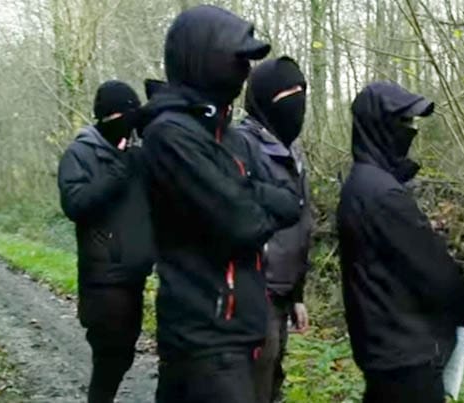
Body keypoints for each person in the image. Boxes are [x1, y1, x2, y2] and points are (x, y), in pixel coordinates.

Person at [138, 5, 302, 403]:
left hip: (241, 328)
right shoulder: (170, 134)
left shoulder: (233, 135)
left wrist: (241, 190)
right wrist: (248, 195)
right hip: (204, 337)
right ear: (202, 56)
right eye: (239, 59)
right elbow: (242, 223)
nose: (245, 70)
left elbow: (289, 202)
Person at [337, 81, 464, 403]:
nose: (410, 130)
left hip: (383, 348)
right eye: (403, 122)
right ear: (380, 127)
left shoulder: (361, 184)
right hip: (406, 354)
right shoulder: (382, 193)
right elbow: (434, 272)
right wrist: (463, 307)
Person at [57, 80, 154, 403]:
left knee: (123, 354)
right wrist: (115, 176)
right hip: (102, 281)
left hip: (133, 277)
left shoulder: (137, 155)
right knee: (110, 358)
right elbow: (75, 204)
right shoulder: (81, 153)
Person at [235, 56, 313, 403]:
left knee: (273, 382)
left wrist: (297, 295)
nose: (297, 102)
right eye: (288, 94)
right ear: (266, 99)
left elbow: (301, 225)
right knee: (253, 386)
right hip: (253, 290)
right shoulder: (241, 146)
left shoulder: (292, 149)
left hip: (282, 292)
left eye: (302, 92)